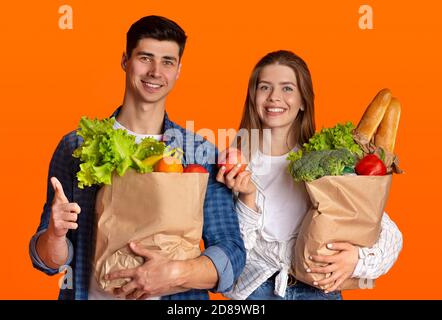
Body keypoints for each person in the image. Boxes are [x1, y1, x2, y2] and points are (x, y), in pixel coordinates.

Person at [29, 15, 246, 300]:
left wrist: (175, 273)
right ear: (125, 60)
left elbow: (231, 251)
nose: (156, 71)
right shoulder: (78, 145)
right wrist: (55, 235)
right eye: (145, 57)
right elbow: (50, 261)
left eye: (167, 61)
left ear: (179, 70)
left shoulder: (199, 153)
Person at [217, 50, 403, 300]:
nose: (274, 98)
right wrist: (247, 198)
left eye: (287, 89)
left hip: (318, 292)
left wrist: (356, 260)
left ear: (303, 100)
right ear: (253, 97)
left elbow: (385, 231)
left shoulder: (325, 160)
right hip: (256, 292)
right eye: (264, 87)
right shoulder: (231, 163)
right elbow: (228, 248)